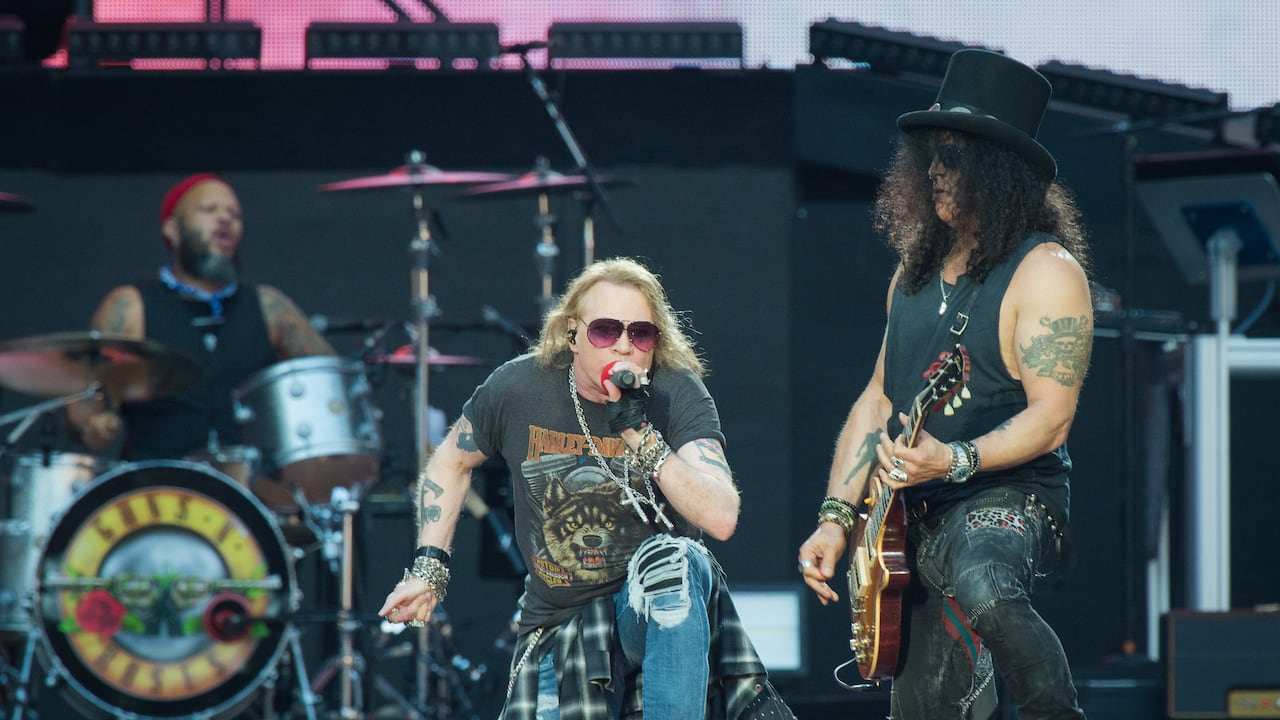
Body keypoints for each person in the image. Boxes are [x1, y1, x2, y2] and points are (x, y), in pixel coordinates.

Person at [797, 50, 1093, 719]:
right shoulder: (915, 269)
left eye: (954, 157)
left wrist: (955, 458)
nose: (933, 171)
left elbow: (1053, 419)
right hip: (910, 515)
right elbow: (878, 398)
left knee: (985, 581)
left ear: (997, 171)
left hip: (1005, 496)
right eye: (930, 154)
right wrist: (836, 519)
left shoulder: (1045, 272)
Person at [379, 257, 791, 719]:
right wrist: (429, 567)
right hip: (562, 623)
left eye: (640, 334)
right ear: (573, 334)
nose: (624, 346)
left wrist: (641, 436)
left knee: (677, 562)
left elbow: (721, 516)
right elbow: (451, 461)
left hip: (650, 613)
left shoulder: (676, 393)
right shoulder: (519, 387)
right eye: (605, 331)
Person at [68, 173, 334, 460]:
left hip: (247, 493)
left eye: (235, 214)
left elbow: (330, 386)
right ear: (172, 229)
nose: (225, 219)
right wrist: (92, 424)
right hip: (155, 490)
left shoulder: (270, 307)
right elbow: (82, 406)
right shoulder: (131, 306)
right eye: (209, 210)